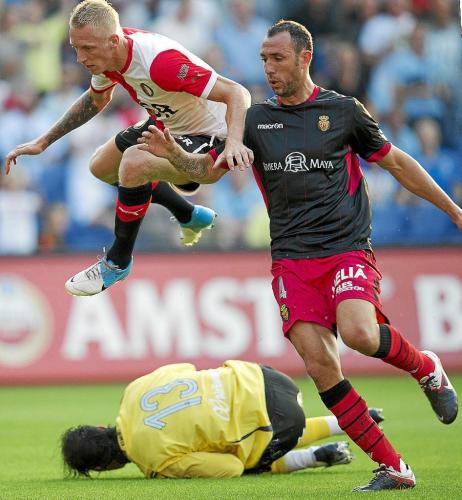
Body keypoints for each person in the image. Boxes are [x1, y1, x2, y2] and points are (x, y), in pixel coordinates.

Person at [133, 20, 460, 491]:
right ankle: (394, 467)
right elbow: (207, 172)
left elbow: (396, 162)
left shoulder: (343, 111)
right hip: (291, 260)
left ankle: (425, 368)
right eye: (264, 59)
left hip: (345, 249)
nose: (268, 68)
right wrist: (174, 156)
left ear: (305, 58)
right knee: (322, 367)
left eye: (278, 58)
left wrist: (453, 210)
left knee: (359, 334)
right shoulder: (255, 121)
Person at [4, 0, 253, 296]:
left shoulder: (159, 62)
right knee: (101, 165)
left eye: (87, 49)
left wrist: (234, 143)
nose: (80, 58)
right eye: (75, 48)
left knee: (134, 162)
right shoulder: (110, 56)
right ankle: (187, 214)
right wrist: (43, 141)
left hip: (209, 136)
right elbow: (96, 99)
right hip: (168, 124)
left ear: (112, 41)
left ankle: (117, 261)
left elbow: (237, 92)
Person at [61, 359, 386, 478]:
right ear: (101, 427)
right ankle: (351, 420)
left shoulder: (156, 463)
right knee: (237, 421)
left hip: (281, 423)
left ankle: (312, 457)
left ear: (104, 467)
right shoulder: (133, 390)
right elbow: (186, 368)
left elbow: (229, 468)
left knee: (242, 458)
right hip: (267, 376)